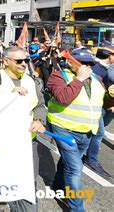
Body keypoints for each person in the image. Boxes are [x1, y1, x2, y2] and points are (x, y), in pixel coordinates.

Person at [0, 46, 46, 212]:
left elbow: (39, 104)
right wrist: (9, 95)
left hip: (28, 142)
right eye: (19, 61)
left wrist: (39, 120)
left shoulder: (30, 80)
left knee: (28, 184)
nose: (24, 64)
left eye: (26, 60)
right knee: (7, 182)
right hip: (3, 144)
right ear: (6, 62)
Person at [47, 48, 104, 211]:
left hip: (87, 131)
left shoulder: (96, 78)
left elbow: (100, 103)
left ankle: (58, 187)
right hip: (63, 129)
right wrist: (79, 79)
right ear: (71, 62)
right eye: (82, 63)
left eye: (90, 63)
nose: (87, 66)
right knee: (74, 168)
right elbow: (63, 97)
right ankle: (76, 208)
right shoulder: (58, 76)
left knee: (68, 162)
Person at [82, 47, 113, 178]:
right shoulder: (97, 69)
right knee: (98, 132)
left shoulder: (103, 68)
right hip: (95, 105)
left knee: (97, 131)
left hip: (102, 105)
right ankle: (92, 160)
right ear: (110, 56)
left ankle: (87, 153)